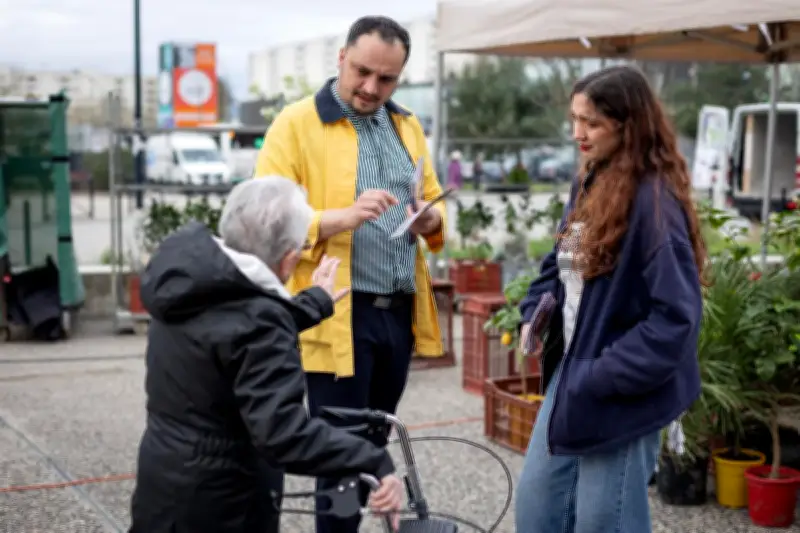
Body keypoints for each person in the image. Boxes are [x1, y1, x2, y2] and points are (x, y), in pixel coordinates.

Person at [254, 15, 447, 533]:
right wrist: (341, 216)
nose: (370, 88)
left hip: (397, 309)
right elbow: (263, 220)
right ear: (341, 57)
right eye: (362, 71)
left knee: (371, 448)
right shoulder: (295, 123)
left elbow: (430, 202)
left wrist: (430, 217)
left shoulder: (405, 125)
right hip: (336, 309)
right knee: (338, 456)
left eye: (386, 79)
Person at [128, 177, 404, 533]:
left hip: (164, 484)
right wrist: (374, 459)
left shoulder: (192, 281)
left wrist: (314, 302)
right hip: (221, 503)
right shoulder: (258, 320)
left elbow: (232, 332)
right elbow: (284, 435)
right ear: (289, 259)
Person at [514, 65, 707, 533]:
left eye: (592, 123)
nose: (578, 133)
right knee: (538, 506)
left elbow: (676, 321)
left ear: (629, 126)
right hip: (576, 372)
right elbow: (561, 264)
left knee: (605, 521)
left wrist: (600, 376)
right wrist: (536, 312)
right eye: (574, 118)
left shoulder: (655, 205)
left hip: (623, 387)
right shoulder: (591, 181)